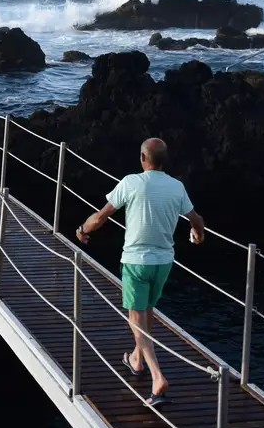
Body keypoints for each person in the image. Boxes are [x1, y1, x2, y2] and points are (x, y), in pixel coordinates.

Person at [75, 138, 205, 407]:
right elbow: (197, 218)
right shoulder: (176, 186)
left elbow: (102, 216)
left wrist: (83, 231)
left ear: (143, 159)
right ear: (163, 160)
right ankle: (136, 360)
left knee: (136, 318)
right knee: (146, 311)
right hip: (163, 262)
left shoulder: (131, 182)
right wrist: (197, 234)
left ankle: (158, 377)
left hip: (136, 261)